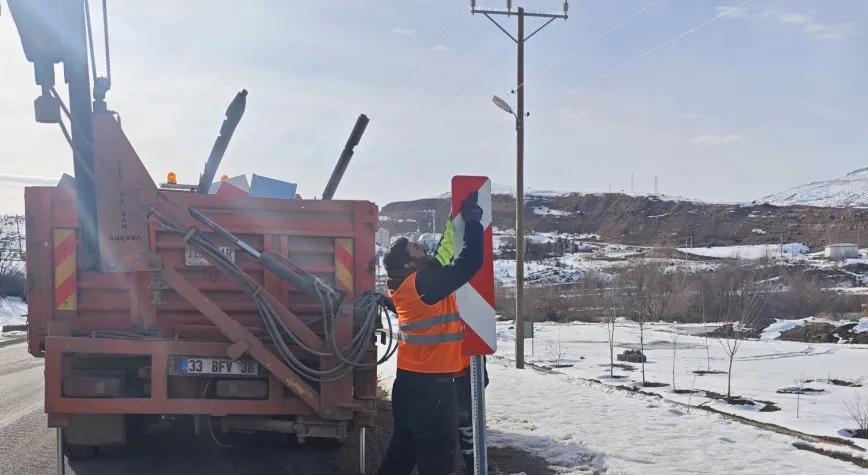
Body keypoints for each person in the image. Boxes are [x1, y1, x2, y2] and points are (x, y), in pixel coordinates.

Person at [377, 193, 484, 475]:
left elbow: (443, 255)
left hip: (410, 384)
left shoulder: (409, 281)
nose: (424, 248)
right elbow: (470, 262)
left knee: (402, 453)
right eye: (417, 249)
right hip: (432, 390)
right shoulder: (423, 284)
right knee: (437, 460)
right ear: (410, 265)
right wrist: (474, 223)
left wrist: (455, 220)